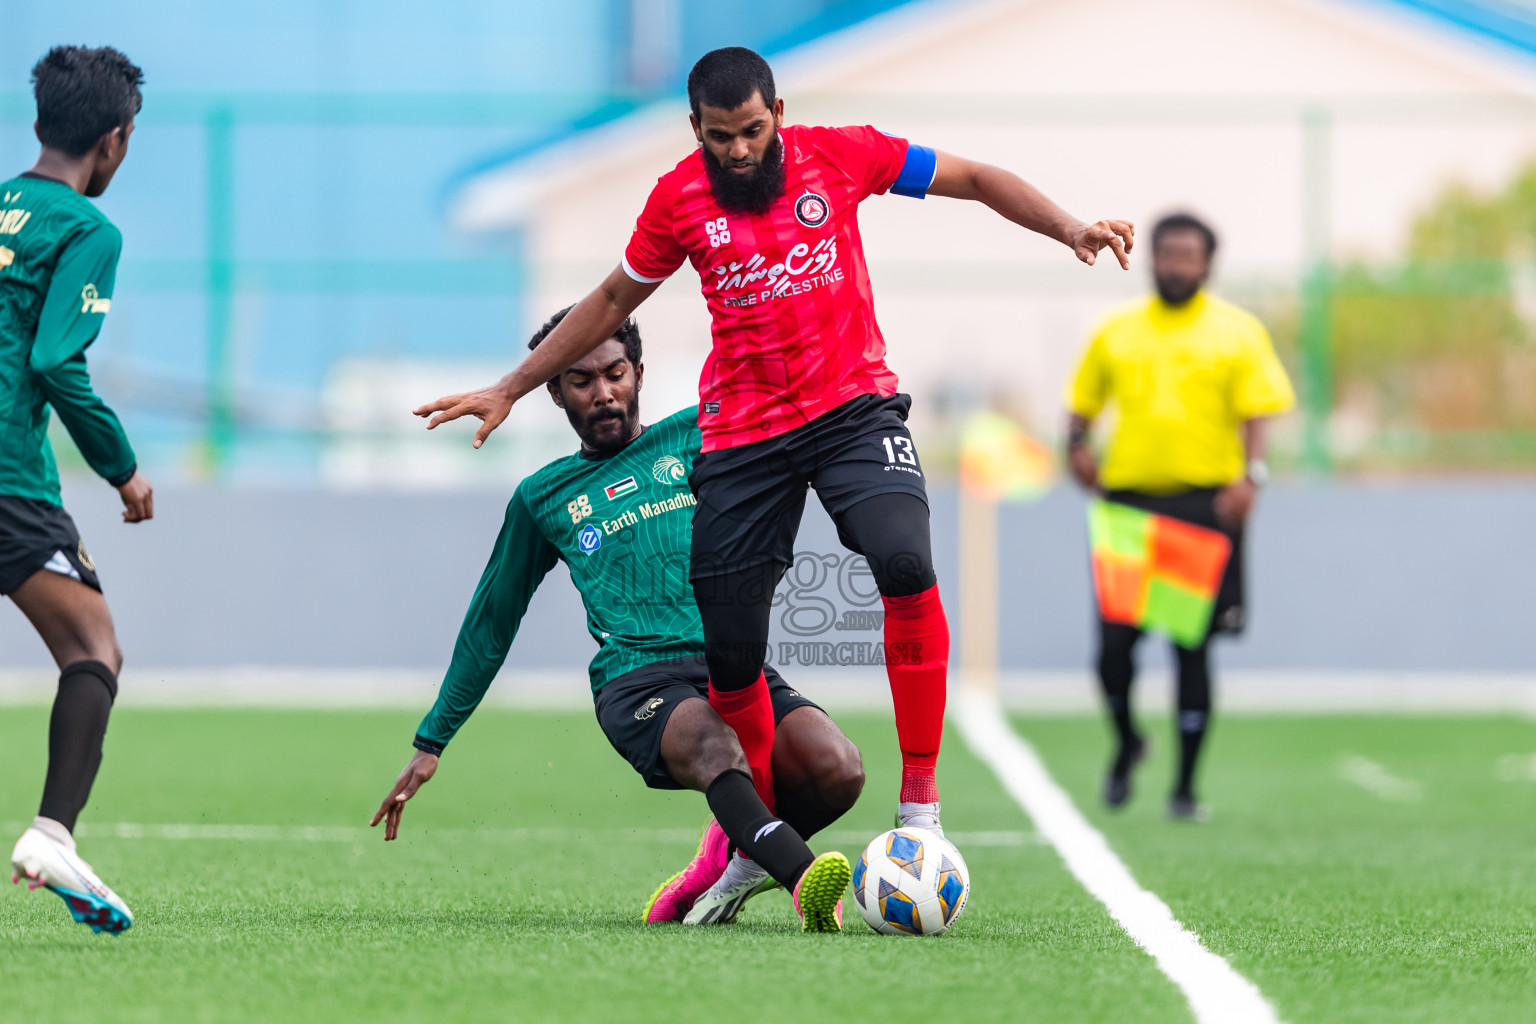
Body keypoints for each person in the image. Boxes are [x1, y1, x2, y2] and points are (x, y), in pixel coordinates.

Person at [414, 47, 1135, 839]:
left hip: (850, 410)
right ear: (696, 129)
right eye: (720, 136)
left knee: (903, 561)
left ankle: (921, 809)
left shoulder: (844, 153)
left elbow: (970, 176)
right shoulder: (676, 201)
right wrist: (510, 386)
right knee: (731, 648)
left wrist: (1067, 225)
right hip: (746, 434)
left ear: (778, 114)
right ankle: (751, 844)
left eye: (752, 129)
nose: (739, 150)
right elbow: (614, 296)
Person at [373, 308, 865, 931]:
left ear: (638, 372)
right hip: (639, 681)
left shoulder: (698, 437)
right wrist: (431, 741)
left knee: (837, 768)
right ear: (553, 391)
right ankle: (803, 880)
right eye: (581, 381)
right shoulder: (542, 496)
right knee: (718, 746)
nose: (603, 393)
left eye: (615, 373)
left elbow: (779, 407)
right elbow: (492, 621)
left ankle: (720, 868)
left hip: (733, 662)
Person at [1064, 212, 1295, 819]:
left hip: (1203, 507)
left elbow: (1259, 418)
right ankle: (1128, 741)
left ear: (1207, 264)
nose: (1176, 263)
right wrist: (1077, 450)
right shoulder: (1116, 332)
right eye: (1167, 253)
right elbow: (1081, 410)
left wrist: (1254, 479)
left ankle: (1185, 789)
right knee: (1113, 650)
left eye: (1188, 254)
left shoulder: (1238, 332)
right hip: (1130, 507)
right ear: (1151, 259)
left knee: (1192, 648)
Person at [4, 46, 152, 936]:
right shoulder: (85, 229)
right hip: (9, 480)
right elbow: (56, 358)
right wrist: (123, 466)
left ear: (35, 125)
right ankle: (52, 833)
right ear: (115, 139)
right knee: (93, 646)